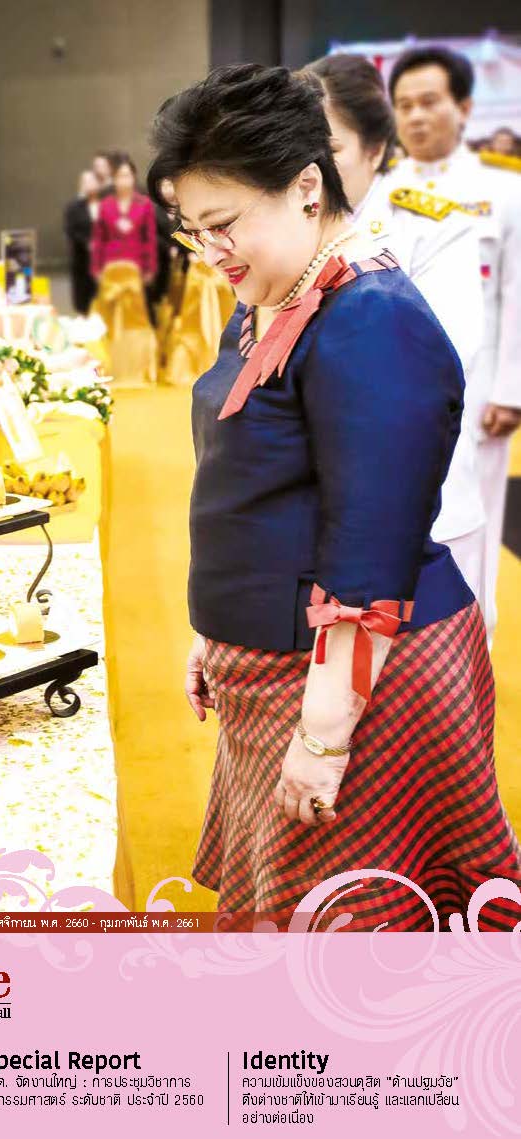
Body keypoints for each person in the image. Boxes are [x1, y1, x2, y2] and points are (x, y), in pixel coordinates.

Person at [148, 63, 521, 930]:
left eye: (224, 224)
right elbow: (252, 482)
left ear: (308, 187)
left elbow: (369, 553)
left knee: (353, 943)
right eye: (194, 232)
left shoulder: (370, 316)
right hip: (278, 661)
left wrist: (323, 737)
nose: (212, 252)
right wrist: (215, 631)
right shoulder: (278, 289)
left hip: (364, 688)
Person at [307, 54, 488, 615]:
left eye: (330, 149)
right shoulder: (288, 226)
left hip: (423, 493)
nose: (312, 168)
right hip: (316, 500)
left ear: (375, 148)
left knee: (439, 652)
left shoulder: (431, 227)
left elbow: (441, 360)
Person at [388, 46, 521, 645]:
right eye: (404, 105)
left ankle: (474, 643)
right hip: (396, 388)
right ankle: (413, 647)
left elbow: (515, 294)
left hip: (477, 388)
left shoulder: (502, 192)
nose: (416, 116)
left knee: (474, 520)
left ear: (463, 108)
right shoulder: (381, 192)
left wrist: (510, 390)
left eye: (429, 102)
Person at [91, 155, 157, 295]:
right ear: (114, 179)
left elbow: (150, 238)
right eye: (120, 176)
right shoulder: (105, 205)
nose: (124, 180)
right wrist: (96, 268)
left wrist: (150, 268)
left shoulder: (144, 204)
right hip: (110, 265)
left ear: (133, 177)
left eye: (127, 176)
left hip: (136, 265)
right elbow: (98, 238)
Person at [63, 169, 100, 314]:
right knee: (84, 301)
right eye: (86, 181)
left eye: (92, 181)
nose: (90, 184)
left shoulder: (105, 204)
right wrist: (87, 243)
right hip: (82, 259)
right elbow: (70, 231)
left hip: (102, 260)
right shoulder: (73, 207)